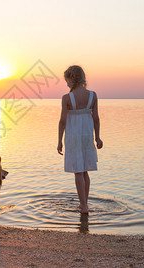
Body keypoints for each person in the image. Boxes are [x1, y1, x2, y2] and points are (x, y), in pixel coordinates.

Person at [57, 65, 103, 214]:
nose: (66, 84)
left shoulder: (67, 98)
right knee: (84, 172)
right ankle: (85, 203)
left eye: (67, 81)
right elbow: (96, 118)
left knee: (78, 171)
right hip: (87, 136)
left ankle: (83, 206)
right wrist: (98, 137)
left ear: (72, 79)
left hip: (73, 137)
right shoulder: (92, 95)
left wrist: (59, 140)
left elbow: (62, 121)